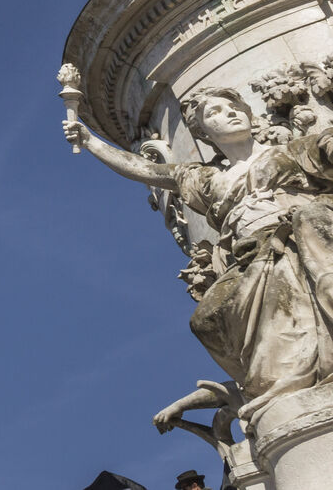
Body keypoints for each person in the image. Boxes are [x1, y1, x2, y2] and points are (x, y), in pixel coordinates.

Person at [63, 87, 333, 417]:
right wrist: (91, 142)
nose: (231, 113)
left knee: (304, 240)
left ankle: (299, 371)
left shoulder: (290, 151)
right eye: (215, 112)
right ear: (203, 132)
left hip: (294, 232)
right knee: (206, 319)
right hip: (250, 254)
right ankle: (262, 381)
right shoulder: (205, 178)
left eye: (234, 107)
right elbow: (147, 171)